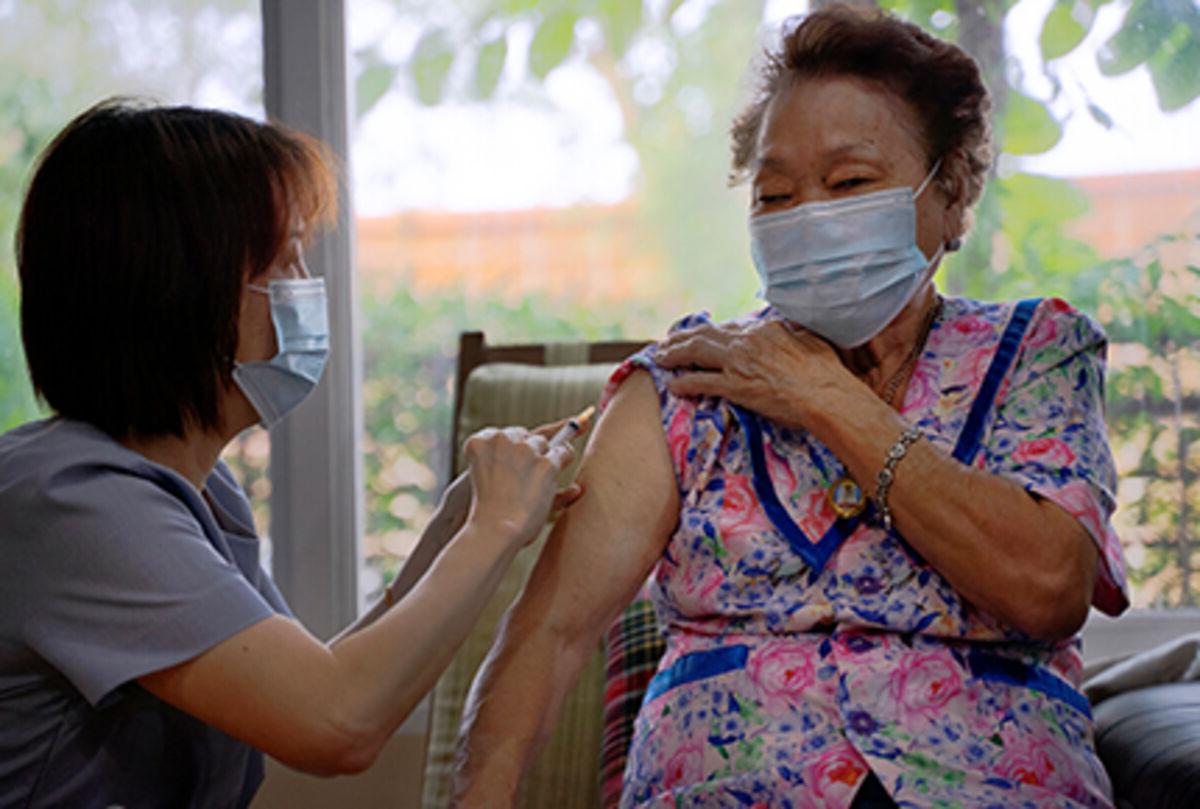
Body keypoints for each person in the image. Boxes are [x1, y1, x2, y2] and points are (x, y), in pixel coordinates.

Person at [452, 6, 1128, 808]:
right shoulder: (687, 384)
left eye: (849, 183)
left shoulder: (1036, 352)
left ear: (950, 193)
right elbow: (549, 633)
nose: (809, 215)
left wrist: (826, 398)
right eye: (775, 194)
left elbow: (1048, 586)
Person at [0, 100, 580, 808]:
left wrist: (456, 526)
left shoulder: (202, 497)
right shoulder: (70, 503)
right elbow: (336, 721)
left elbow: (321, 676)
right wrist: (494, 529)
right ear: (180, 292)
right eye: (286, 260)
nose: (307, 288)